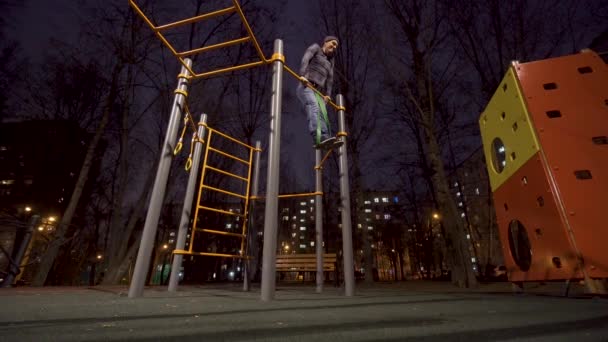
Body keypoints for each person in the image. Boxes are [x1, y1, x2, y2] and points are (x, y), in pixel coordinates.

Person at [296, 35, 342, 149]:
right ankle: (317, 136)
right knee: (314, 107)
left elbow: (330, 79)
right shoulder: (316, 48)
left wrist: (328, 94)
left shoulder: (331, 61)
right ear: (326, 42)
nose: (334, 46)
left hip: (318, 91)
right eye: (333, 43)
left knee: (322, 112)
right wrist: (302, 75)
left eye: (336, 45)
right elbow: (305, 58)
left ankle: (325, 137)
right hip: (306, 85)